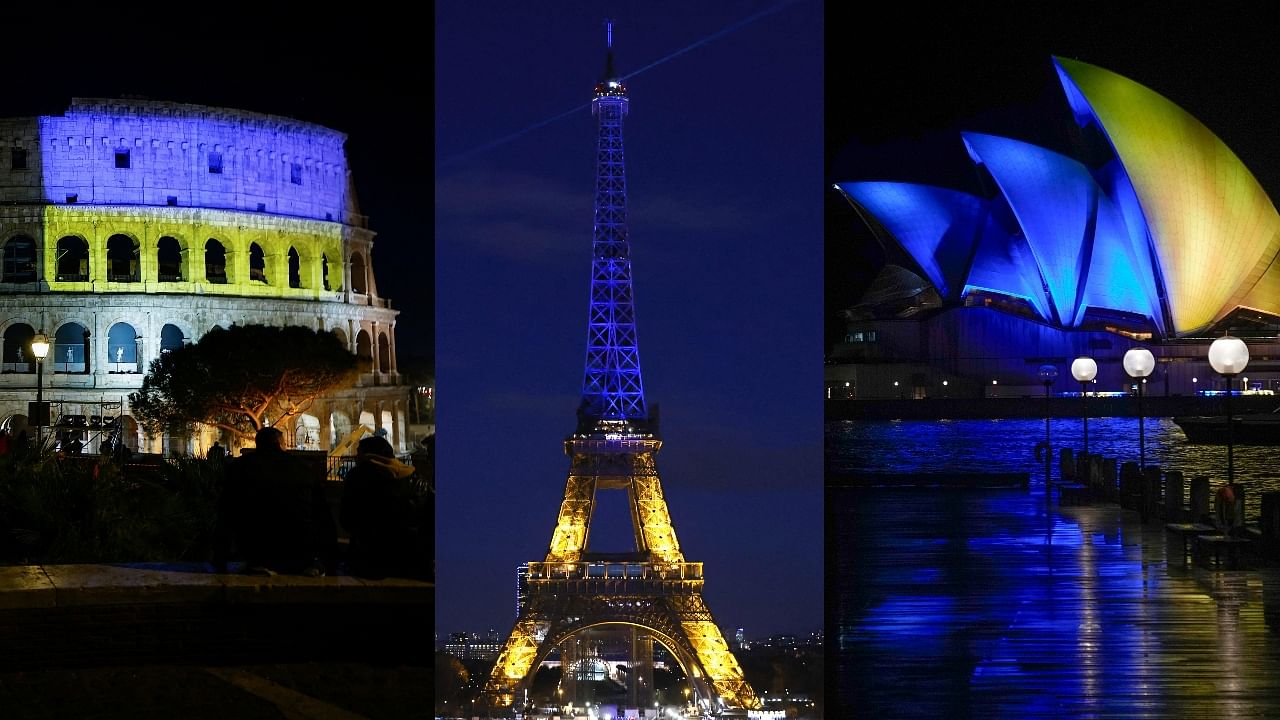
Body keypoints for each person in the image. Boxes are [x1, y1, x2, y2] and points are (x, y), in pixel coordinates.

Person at [213, 426, 336, 576]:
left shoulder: (240, 467)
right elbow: (323, 515)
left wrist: (221, 560)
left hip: (257, 550)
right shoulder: (302, 467)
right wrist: (329, 561)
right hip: (299, 550)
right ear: (279, 444)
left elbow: (226, 514)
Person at [340, 435, 427, 580]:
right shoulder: (415, 478)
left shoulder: (357, 477)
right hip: (410, 560)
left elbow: (346, 520)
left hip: (368, 561)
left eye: (358, 452)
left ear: (367, 454)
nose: (355, 456)